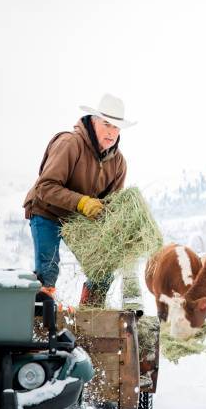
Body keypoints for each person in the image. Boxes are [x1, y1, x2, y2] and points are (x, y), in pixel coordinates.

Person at [23, 93, 136, 304]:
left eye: (116, 127)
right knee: (48, 272)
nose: (112, 132)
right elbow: (45, 188)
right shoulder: (70, 144)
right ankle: (41, 323)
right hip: (47, 211)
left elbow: (111, 204)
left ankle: (90, 316)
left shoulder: (118, 163)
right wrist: (82, 202)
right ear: (93, 121)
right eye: (107, 124)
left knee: (102, 270)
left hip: (77, 220)